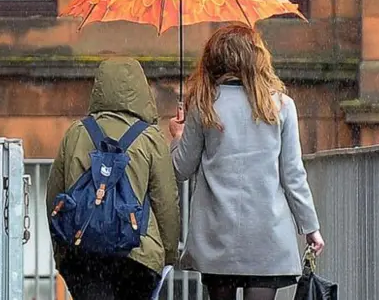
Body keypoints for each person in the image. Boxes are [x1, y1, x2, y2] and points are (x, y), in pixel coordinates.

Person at [169, 24, 325, 300]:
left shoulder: (204, 106)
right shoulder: (281, 106)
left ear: (214, 60)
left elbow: (181, 168)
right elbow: (292, 175)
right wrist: (310, 227)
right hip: (266, 234)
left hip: (217, 235)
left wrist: (177, 137)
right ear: (256, 57)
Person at [46, 58, 181, 300]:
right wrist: (167, 255)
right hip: (137, 257)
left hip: (85, 255)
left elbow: (54, 196)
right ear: (142, 90)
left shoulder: (76, 132)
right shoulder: (151, 137)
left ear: (99, 88)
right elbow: (166, 203)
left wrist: (62, 254)